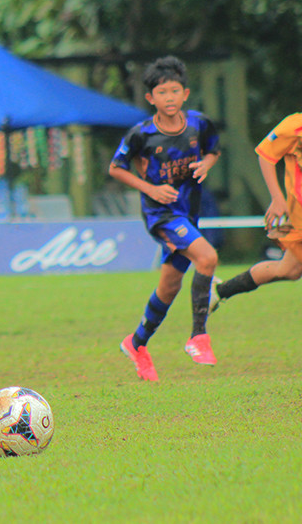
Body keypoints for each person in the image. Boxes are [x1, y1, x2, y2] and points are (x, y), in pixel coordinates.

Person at [108, 56, 220, 382]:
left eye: (174, 91)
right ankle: (198, 337)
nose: (169, 97)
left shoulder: (200, 124)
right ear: (150, 98)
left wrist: (206, 164)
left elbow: (213, 151)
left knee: (169, 286)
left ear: (185, 93)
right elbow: (116, 167)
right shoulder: (141, 134)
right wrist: (151, 189)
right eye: (161, 92)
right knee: (207, 258)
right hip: (162, 215)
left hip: (189, 212)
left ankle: (136, 343)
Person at [210, 112, 302, 309]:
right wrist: (277, 198)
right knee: (288, 270)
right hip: (299, 216)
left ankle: (220, 291)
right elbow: (266, 155)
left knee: (289, 270)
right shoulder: (295, 125)